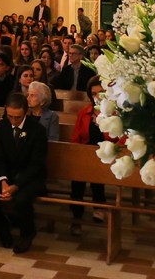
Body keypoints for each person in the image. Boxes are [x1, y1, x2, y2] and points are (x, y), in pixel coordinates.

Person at [0, 93, 48, 254]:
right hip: (8, 175)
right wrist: (3, 181)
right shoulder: (1, 127)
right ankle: (2, 228)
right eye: (10, 116)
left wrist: (16, 186)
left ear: (26, 112)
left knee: (22, 198)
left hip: (31, 177)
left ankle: (27, 233)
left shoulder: (38, 130)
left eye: (17, 117)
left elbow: (36, 164)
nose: (13, 121)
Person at [70, 76, 108, 236]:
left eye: (101, 93)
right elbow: (76, 137)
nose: (97, 97)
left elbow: (117, 138)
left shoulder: (113, 113)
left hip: (105, 153)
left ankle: (99, 207)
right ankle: (76, 216)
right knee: (77, 180)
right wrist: (78, 154)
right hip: (86, 151)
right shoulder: (84, 112)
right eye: (94, 93)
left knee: (97, 178)